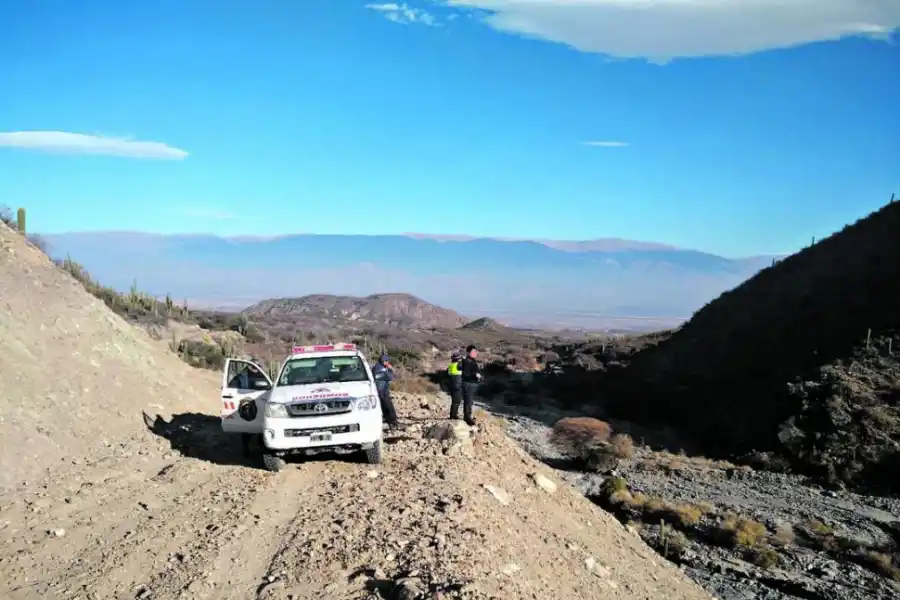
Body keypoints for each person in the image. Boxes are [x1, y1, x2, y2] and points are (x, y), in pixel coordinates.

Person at [371, 354, 400, 429]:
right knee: (387, 405)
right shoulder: (380, 368)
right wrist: (390, 370)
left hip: (383, 390)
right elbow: (388, 377)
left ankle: (389, 419)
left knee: (385, 405)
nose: (388, 362)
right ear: (383, 361)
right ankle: (392, 420)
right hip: (381, 391)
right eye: (386, 361)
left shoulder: (380, 367)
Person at [459, 345, 482, 426]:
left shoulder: (472, 360)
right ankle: (467, 418)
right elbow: (466, 375)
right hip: (468, 384)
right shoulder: (467, 361)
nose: (475, 353)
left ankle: (468, 417)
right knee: (468, 401)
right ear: (468, 352)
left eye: (476, 351)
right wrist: (475, 375)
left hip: (471, 384)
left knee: (470, 401)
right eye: (473, 352)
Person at [447, 350, 464, 421]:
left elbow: (449, 374)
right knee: (457, 401)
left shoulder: (451, 365)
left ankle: (453, 415)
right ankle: (453, 416)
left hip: (452, 384)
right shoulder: (459, 365)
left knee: (454, 401)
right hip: (458, 384)